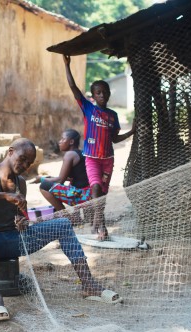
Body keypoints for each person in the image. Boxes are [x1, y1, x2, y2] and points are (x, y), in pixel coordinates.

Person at [0, 138, 122, 323]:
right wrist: (5, 195)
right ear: (10, 151)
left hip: (12, 241)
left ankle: (88, 284)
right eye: (22, 159)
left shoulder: (20, 183)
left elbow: (19, 217)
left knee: (62, 224)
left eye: (29, 163)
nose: (24, 165)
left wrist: (22, 221)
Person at [63, 55, 136, 241]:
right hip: (92, 158)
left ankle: (98, 222)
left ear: (109, 93)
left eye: (104, 92)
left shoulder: (113, 116)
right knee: (95, 187)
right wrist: (67, 65)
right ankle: (100, 224)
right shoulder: (88, 108)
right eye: (98, 92)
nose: (102, 95)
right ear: (93, 95)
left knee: (102, 193)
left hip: (108, 161)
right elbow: (73, 87)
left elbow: (114, 138)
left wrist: (131, 132)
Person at [30, 128, 91, 211]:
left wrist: (41, 179)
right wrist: (48, 177)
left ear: (71, 142)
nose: (60, 141)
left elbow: (60, 180)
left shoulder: (69, 155)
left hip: (81, 196)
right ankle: (74, 216)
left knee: (44, 186)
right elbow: (70, 177)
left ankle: (67, 216)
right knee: (49, 182)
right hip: (88, 193)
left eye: (63, 139)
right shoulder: (80, 153)